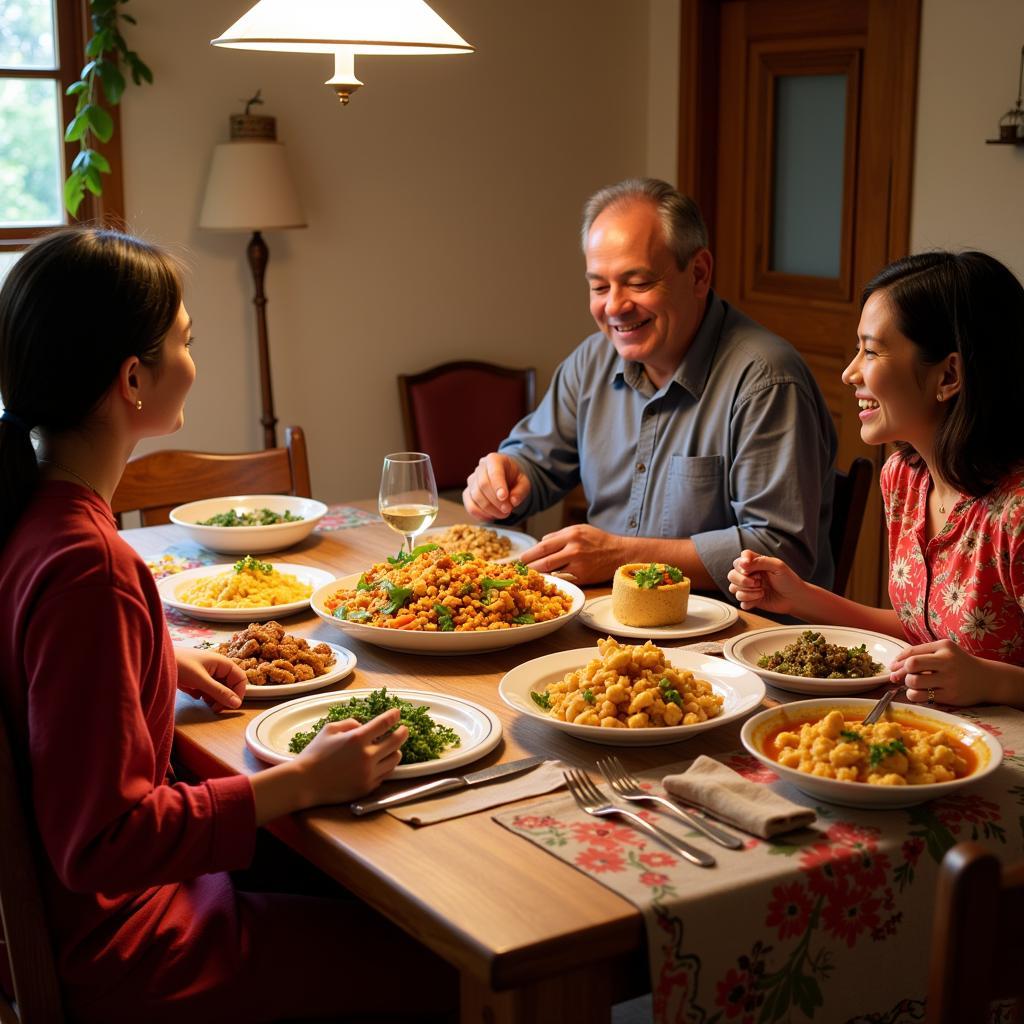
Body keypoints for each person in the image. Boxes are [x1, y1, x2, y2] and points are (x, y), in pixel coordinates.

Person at [0, 228, 455, 1023]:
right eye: (186, 340)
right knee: (451, 963)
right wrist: (303, 780)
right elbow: (100, 843)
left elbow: (42, 673)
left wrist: (154, 662)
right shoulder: (87, 565)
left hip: (123, 917)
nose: (194, 359)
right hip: (137, 953)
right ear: (133, 379)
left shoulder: (33, 515)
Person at [463, 177, 838, 593]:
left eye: (638, 283)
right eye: (599, 286)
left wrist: (622, 556)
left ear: (698, 273)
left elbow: (779, 550)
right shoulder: (592, 360)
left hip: (731, 635)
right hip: (607, 618)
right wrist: (504, 479)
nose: (615, 307)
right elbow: (535, 461)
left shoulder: (767, 380)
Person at [728, 250, 1024, 709]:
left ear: (949, 374)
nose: (850, 372)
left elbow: (972, 666)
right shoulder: (905, 478)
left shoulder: (1017, 514)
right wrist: (801, 599)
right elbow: (920, 630)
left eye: (871, 350)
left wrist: (995, 683)